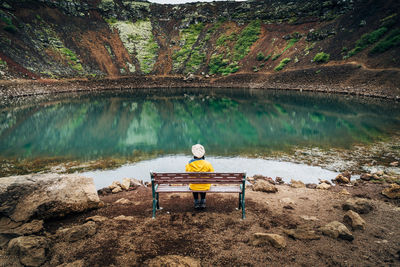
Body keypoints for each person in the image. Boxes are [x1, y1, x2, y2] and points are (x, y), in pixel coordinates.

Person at [185, 144, 214, 209]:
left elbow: (187, 174)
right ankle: (203, 202)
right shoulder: (207, 164)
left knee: (194, 185)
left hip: (193, 186)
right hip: (205, 186)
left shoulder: (189, 164)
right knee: (203, 184)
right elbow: (212, 174)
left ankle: (196, 203)